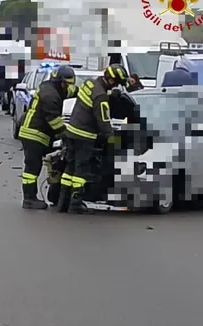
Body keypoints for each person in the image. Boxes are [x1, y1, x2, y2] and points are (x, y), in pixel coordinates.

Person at [59, 63, 129, 214]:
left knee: (69, 168)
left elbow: (90, 100)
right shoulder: (101, 97)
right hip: (84, 136)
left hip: (71, 132)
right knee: (81, 171)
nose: (115, 86)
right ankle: (75, 204)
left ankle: (62, 203)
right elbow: (103, 121)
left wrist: (111, 96)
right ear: (111, 80)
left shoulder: (89, 83)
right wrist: (113, 140)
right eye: (116, 83)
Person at [19, 65, 78, 210]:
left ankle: (31, 197)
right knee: (32, 168)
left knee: (38, 164)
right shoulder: (50, 95)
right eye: (66, 84)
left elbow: (70, 92)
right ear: (59, 81)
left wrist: (83, 91)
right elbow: (54, 120)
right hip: (33, 134)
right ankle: (29, 199)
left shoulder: (51, 87)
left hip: (35, 132)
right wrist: (66, 134)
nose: (67, 87)